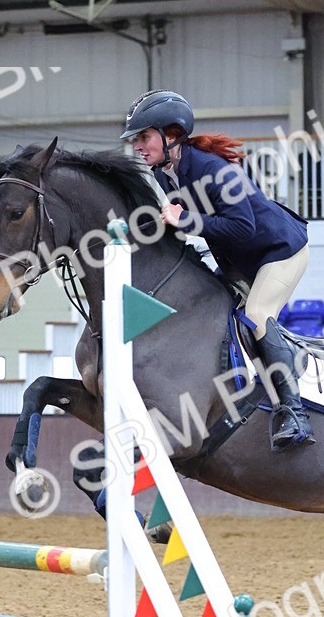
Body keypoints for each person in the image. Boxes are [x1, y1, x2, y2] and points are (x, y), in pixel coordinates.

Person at [120, 89, 313, 451]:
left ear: (171, 135)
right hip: (239, 260)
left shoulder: (214, 169)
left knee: (256, 315)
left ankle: (294, 411)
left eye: (143, 137)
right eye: (135, 139)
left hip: (279, 252)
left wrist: (184, 219)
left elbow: (243, 228)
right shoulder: (165, 175)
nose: (138, 147)